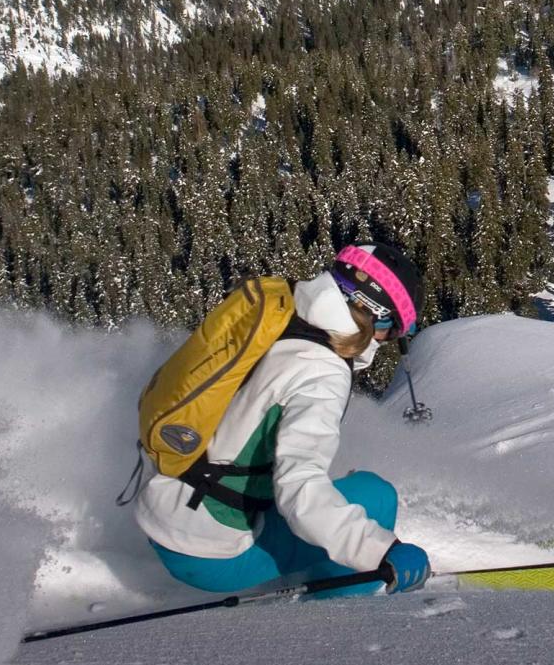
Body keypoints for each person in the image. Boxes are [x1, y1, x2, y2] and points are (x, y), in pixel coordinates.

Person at [136, 241, 434, 596]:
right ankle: (342, 621)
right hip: (209, 554)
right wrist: (383, 552)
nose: (389, 341)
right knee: (374, 497)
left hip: (165, 508)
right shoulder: (322, 373)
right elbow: (300, 491)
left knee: (352, 491)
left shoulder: (281, 315)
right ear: (375, 315)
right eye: (395, 330)